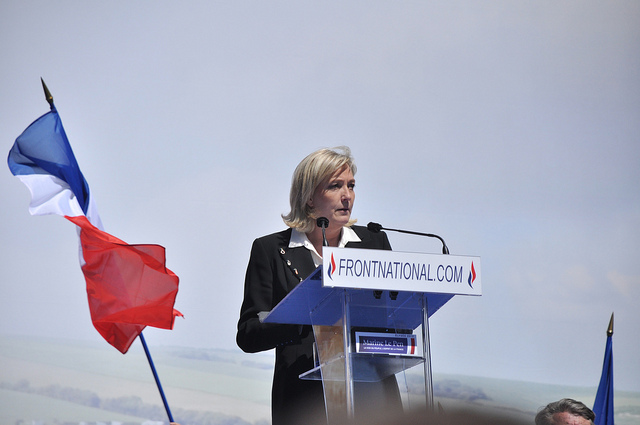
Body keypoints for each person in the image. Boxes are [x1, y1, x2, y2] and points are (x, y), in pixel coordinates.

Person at [236, 146, 401, 425]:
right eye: (335, 186)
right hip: (304, 401)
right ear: (309, 198)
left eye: (351, 186)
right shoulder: (271, 250)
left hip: (372, 398)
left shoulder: (375, 243)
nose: (347, 196)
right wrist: (301, 316)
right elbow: (249, 334)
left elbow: (395, 315)